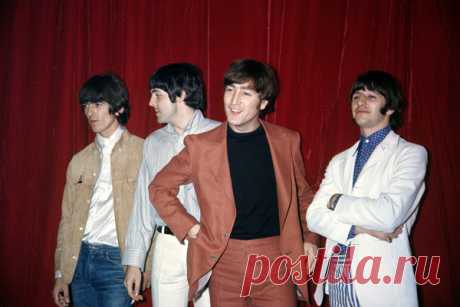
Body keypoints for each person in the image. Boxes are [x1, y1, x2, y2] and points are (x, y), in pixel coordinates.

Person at [149, 59, 319, 307]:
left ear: (263, 102)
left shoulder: (286, 141)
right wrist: (190, 227)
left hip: (275, 257)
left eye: (246, 92)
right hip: (224, 259)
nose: (234, 100)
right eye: (230, 89)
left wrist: (310, 239)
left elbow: (303, 197)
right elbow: (158, 188)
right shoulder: (201, 146)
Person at [307, 70, 427, 307]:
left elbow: (388, 215)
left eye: (371, 97)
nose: (361, 102)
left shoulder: (411, 154)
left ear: (390, 107)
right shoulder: (340, 159)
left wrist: (335, 201)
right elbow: (313, 217)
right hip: (337, 280)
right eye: (356, 96)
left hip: (381, 283)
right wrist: (360, 228)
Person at [123, 63, 220, 307]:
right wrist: (135, 261)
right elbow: (143, 205)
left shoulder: (221, 136)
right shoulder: (153, 143)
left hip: (211, 247)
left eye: (157, 94)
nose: (150, 103)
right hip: (166, 246)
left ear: (182, 95)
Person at [52, 73, 149, 307]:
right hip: (79, 260)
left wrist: (144, 268)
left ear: (117, 108)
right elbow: (67, 220)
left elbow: (152, 217)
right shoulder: (79, 160)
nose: (89, 112)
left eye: (97, 104)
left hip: (118, 262)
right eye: (86, 106)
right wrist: (60, 274)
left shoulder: (143, 152)